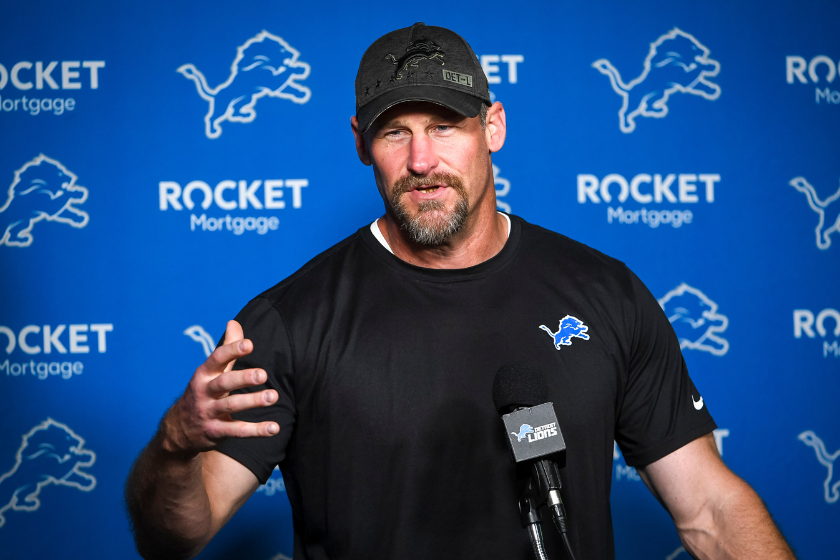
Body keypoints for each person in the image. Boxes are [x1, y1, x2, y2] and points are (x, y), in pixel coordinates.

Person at [126, 23, 795, 560]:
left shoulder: (605, 295)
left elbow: (710, 511)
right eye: (396, 133)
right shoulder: (288, 322)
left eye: (444, 127)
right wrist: (174, 443)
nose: (422, 162)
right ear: (362, 143)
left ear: (493, 128)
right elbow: (179, 534)